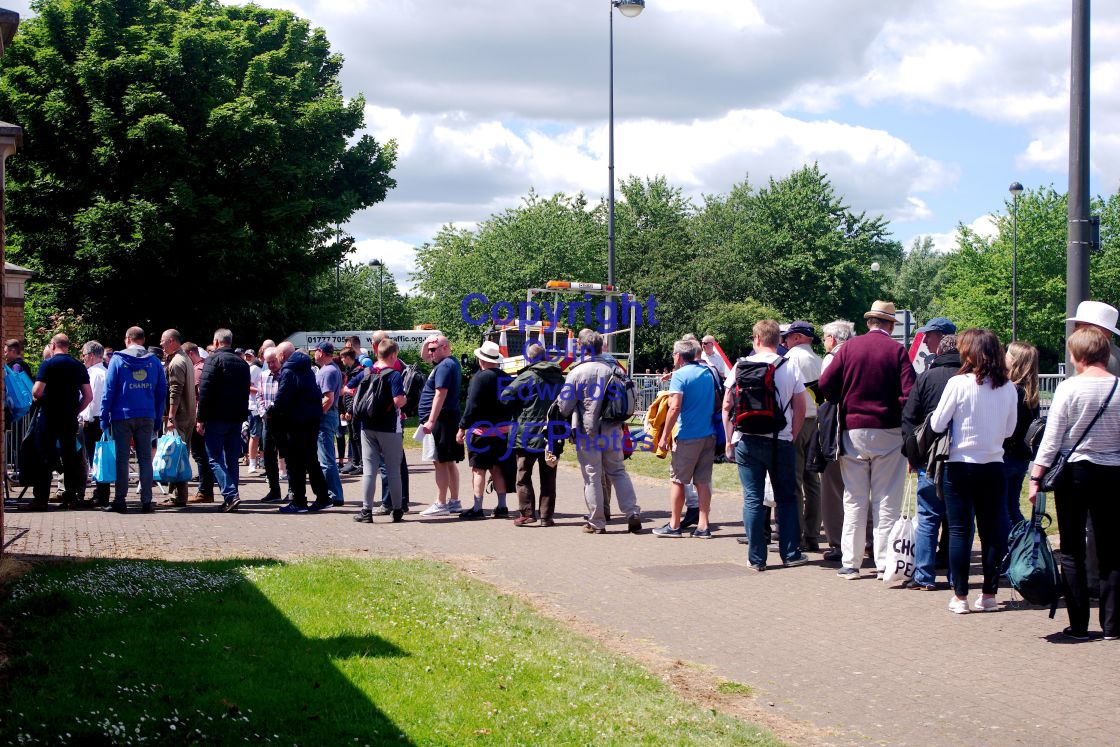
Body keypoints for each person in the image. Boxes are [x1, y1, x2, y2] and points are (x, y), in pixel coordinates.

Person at [1028, 327, 1120, 639]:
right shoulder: (1119, 387)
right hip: (1112, 474)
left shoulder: (1069, 389)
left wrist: (1036, 476)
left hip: (1076, 474)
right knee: (1111, 550)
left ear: (1078, 356)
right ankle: (1111, 625)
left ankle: (1079, 624)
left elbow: (1051, 440)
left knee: (1071, 550)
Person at [819, 300, 915, 580]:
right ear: (890, 325)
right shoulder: (897, 350)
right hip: (888, 430)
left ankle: (850, 562)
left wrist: (844, 399)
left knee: (854, 499)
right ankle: (884, 561)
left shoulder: (848, 348)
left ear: (869, 322)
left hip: (853, 431)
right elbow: (909, 392)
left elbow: (826, 384)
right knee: (887, 500)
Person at [930, 329, 1017, 614]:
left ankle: (961, 596)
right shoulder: (1008, 387)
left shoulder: (958, 383)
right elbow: (1009, 430)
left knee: (959, 531)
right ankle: (989, 594)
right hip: (993, 464)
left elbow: (937, 424)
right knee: (991, 531)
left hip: (959, 464)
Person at [723, 320, 810, 569]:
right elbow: (800, 406)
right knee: (786, 498)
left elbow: (727, 405)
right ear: (777, 340)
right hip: (780, 440)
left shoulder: (740, 366)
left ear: (757, 339)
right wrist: (791, 435)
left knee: (752, 498)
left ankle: (756, 558)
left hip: (747, 440)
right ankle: (791, 554)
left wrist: (729, 439)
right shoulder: (789, 365)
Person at [559, 328, 643, 534]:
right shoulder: (615, 369)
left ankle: (597, 522)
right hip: (613, 428)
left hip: (588, 432)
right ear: (599, 347)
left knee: (592, 475)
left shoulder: (577, 372)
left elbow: (564, 407)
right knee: (618, 471)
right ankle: (632, 512)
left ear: (582, 348)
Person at [900, 333, 960, 591]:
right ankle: (956, 576)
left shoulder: (926, 378)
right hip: (962, 457)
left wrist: (912, 456)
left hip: (930, 457)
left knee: (927, 515)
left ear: (938, 353)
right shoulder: (970, 379)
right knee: (959, 520)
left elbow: (909, 419)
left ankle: (924, 576)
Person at [652, 339, 720, 538]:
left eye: (674, 354)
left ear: (679, 356)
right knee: (703, 481)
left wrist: (664, 436)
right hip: (708, 433)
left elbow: (674, 407)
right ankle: (703, 526)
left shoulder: (679, 376)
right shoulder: (709, 372)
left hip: (687, 435)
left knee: (678, 480)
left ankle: (674, 525)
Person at [100, 327, 166, 513]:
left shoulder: (118, 360)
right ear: (143, 340)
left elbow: (109, 390)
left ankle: (120, 500)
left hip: (122, 415)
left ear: (127, 339)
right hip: (147, 415)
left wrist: (104, 417)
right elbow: (162, 391)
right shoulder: (154, 361)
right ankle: (146, 500)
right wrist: (157, 417)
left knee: (122, 458)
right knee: (145, 459)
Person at [26, 334, 93, 511]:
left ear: (53, 345)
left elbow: (38, 391)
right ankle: (71, 498)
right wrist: (75, 410)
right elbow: (88, 395)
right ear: (67, 346)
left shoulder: (48, 364)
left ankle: (41, 500)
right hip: (68, 418)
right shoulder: (78, 366)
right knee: (70, 457)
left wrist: (35, 395)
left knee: (44, 457)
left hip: (48, 416)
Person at [503, 343, 565, 527]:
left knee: (523, 476)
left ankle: (527, 513)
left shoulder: (527, 376)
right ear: (545, 357)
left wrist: (518, 409)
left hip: (527, 434)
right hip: (552, 435)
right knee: (549, 477)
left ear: (529, 358)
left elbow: (506, 395)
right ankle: (546, 516)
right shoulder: (559, 378)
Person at [456, 341, 513, 520]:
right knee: (497, 468)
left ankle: (478, 507)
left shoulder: (479, 378)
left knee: (478, 469)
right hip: (503, 431)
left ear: (481, 359)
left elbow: (472, 406)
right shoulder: (507, 378)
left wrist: (462, 427)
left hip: (482, 432)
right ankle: (502, 506)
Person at [273, 342, 332, 513]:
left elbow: (283, 396)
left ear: (283, 355)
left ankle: (299, 501)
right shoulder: (307, 369)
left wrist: (275, 411)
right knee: (310, 459)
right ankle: (322, 497)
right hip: (311, 419)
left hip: (296, 421)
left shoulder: (289, 371)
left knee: (294, 461)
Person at [197, 328, 251, 512]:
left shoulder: (213, 359)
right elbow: (245, 392)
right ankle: (232, 496)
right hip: (236, 418)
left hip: (216, 417)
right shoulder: (242, 363)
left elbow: (204, 390)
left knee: (214, 458)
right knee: (232, 459)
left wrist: (201, 418)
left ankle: (230, 494)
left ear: (217, 342)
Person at [782, 321, 824, 551]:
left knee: (795, 480)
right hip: (816, 421)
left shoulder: (792, 358)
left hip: (797, 422)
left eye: (788, 337)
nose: (785, 341)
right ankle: (812, 534)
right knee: (813, 480)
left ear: (797, 337)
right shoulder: (819, 359)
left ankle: (795, 535)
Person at [817, 320, 855, 561]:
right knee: (860, 489)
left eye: (825, 338)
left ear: (832, 338)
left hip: (836, 429)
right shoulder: (859, 354)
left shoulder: (832, 359)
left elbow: (826, 391)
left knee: (832, 487)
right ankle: (869, 539)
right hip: (861, 427)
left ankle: (838, 542)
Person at [418, 335, 465, 516]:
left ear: (444, 347)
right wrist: (428, 340)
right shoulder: (448, 362)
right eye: (429, 349)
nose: (430, 353)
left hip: (442, 420)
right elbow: (424, 356)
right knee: (448, 461)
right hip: (446, 418)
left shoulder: (445, 365)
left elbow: (440, 393)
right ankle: (454, 501)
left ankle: (441, 503)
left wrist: (430, 420)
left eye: (433, 349)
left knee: (440, 462)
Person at [1001, 341, 1040, 532]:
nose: (1004, 356)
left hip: (1007, 454)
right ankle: (1025, 540)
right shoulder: (1031, 393)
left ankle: (1017, 546)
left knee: (1004, 508)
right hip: (1021, 457)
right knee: (1012, 506)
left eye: (1007, 354)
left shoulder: (1012, 390)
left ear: (1015, 361)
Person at [158, 329, 196, 507]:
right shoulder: (185, 359)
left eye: (163, 341)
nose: (161, 344)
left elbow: (176, 389)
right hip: (187, 415)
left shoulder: (177, 362)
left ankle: (179, 497)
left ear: (172, 341)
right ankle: (175, 494)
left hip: (179, 416)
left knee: (177, 456)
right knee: (180, 453)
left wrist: (171, 416)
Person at [312, 342, 346, 506]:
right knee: (326, 457)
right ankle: (333, 493)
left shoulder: (328, 371)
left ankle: (334, 495)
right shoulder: (332, 369)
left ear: (321, 352)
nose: (314, 355)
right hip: (329, 415)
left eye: (316, 351)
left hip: (325, 417)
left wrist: (316, 415)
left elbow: (328, 398)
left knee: (326, 459)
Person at [182, 342, 215, 503]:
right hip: (208, 418)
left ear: (189, 354)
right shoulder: (206, 368)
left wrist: (198, 419)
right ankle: (206, 489)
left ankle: (204, 491)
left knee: (200, 455)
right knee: (204, 455)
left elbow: (199, 398)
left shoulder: (196, 371)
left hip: (199, 419)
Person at [79, 340, 111, 506]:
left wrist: (85, 418)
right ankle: (101, 492)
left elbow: (92, 399)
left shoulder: (94, 373)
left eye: (84, 355)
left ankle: (100, 494)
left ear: (91, 356)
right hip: (102, 419)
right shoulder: (104, 372)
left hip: (94, 421)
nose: (83, 358)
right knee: (100, 457)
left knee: (95, 458)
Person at [258, 347, 284, 503]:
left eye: (273, 361)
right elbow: (260, 396)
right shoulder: (263, 375)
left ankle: (292, 490)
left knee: (286, 454)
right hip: (267, 420)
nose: (271, 365)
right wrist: (263, 411)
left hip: (282, 419)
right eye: (268, 362)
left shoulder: (285, 375)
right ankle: (274, 490)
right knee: (268, 455)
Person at [244, 348, 263, 474]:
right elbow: (247, 385)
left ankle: (261, 460)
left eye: (249, 356)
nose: (247, 358)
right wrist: (262, 391)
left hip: (262, 406)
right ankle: (252, 462)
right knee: (255, 435)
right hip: (254, 406)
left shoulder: (262, 367)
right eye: (246, 356)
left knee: (263, 436)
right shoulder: (254, 368)